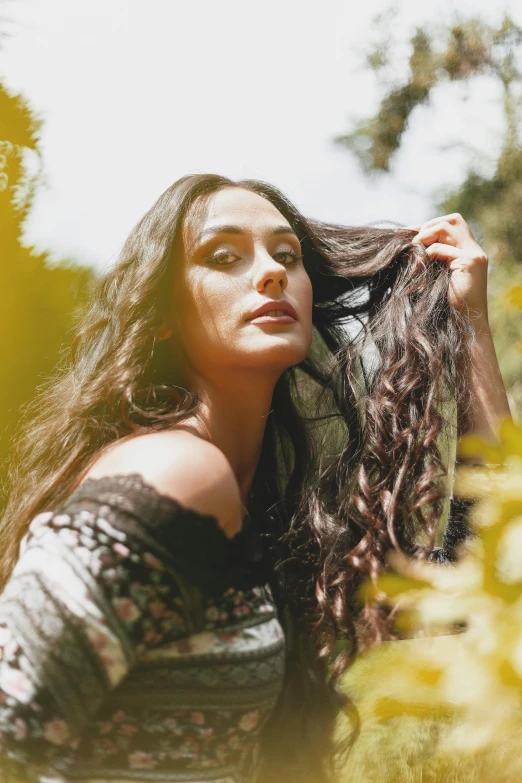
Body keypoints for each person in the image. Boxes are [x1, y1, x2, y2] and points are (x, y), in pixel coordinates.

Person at [0, 174, 511, 783]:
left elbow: (489, 578)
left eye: (287, 255)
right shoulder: (176, 473)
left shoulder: (257, 511)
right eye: (224, 256)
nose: (270, 272)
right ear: (161, 316)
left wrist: (468, 322)